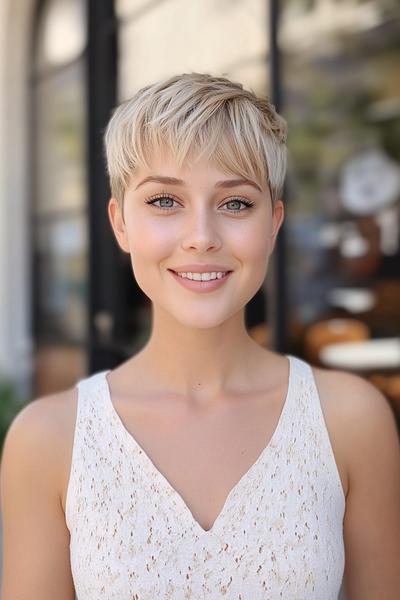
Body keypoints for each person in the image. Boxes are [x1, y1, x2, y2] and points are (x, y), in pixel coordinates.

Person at [1, 72, 400, 600]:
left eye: (235, 204)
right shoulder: (49, 439)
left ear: (274, 223)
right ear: (120, 224)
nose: (201, 238)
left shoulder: (350, 419)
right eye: (165, 201)